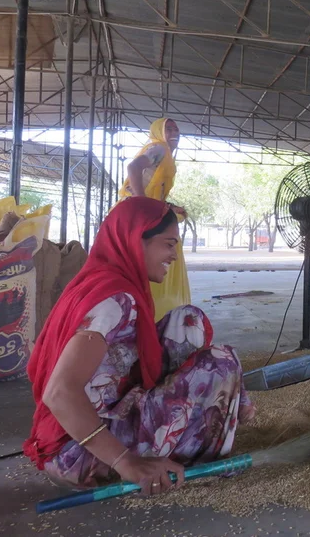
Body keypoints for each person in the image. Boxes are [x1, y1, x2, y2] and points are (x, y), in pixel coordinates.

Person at [23, 197, 255, 492]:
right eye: (168, 244)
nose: (173, 255)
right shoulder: (115, 302)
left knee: (188, 320)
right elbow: (58, 393)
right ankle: (189, 453)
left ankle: (196, 423)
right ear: (135, 241)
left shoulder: (107, 282)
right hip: (79, 454)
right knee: (222, 362)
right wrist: (125, 461)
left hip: (95, 422)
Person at [118, 118, 191, 322]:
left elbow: (153, 188)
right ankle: (150, 314)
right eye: (168, 128)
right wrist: (142, 204)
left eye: (177, 129)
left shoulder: (163, 154)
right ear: (158, 131)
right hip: (136, 214)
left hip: (136, 212)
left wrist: (166, 206)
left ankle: (146, 313)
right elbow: (133, 168)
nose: (174, 132)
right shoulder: (159, 148)